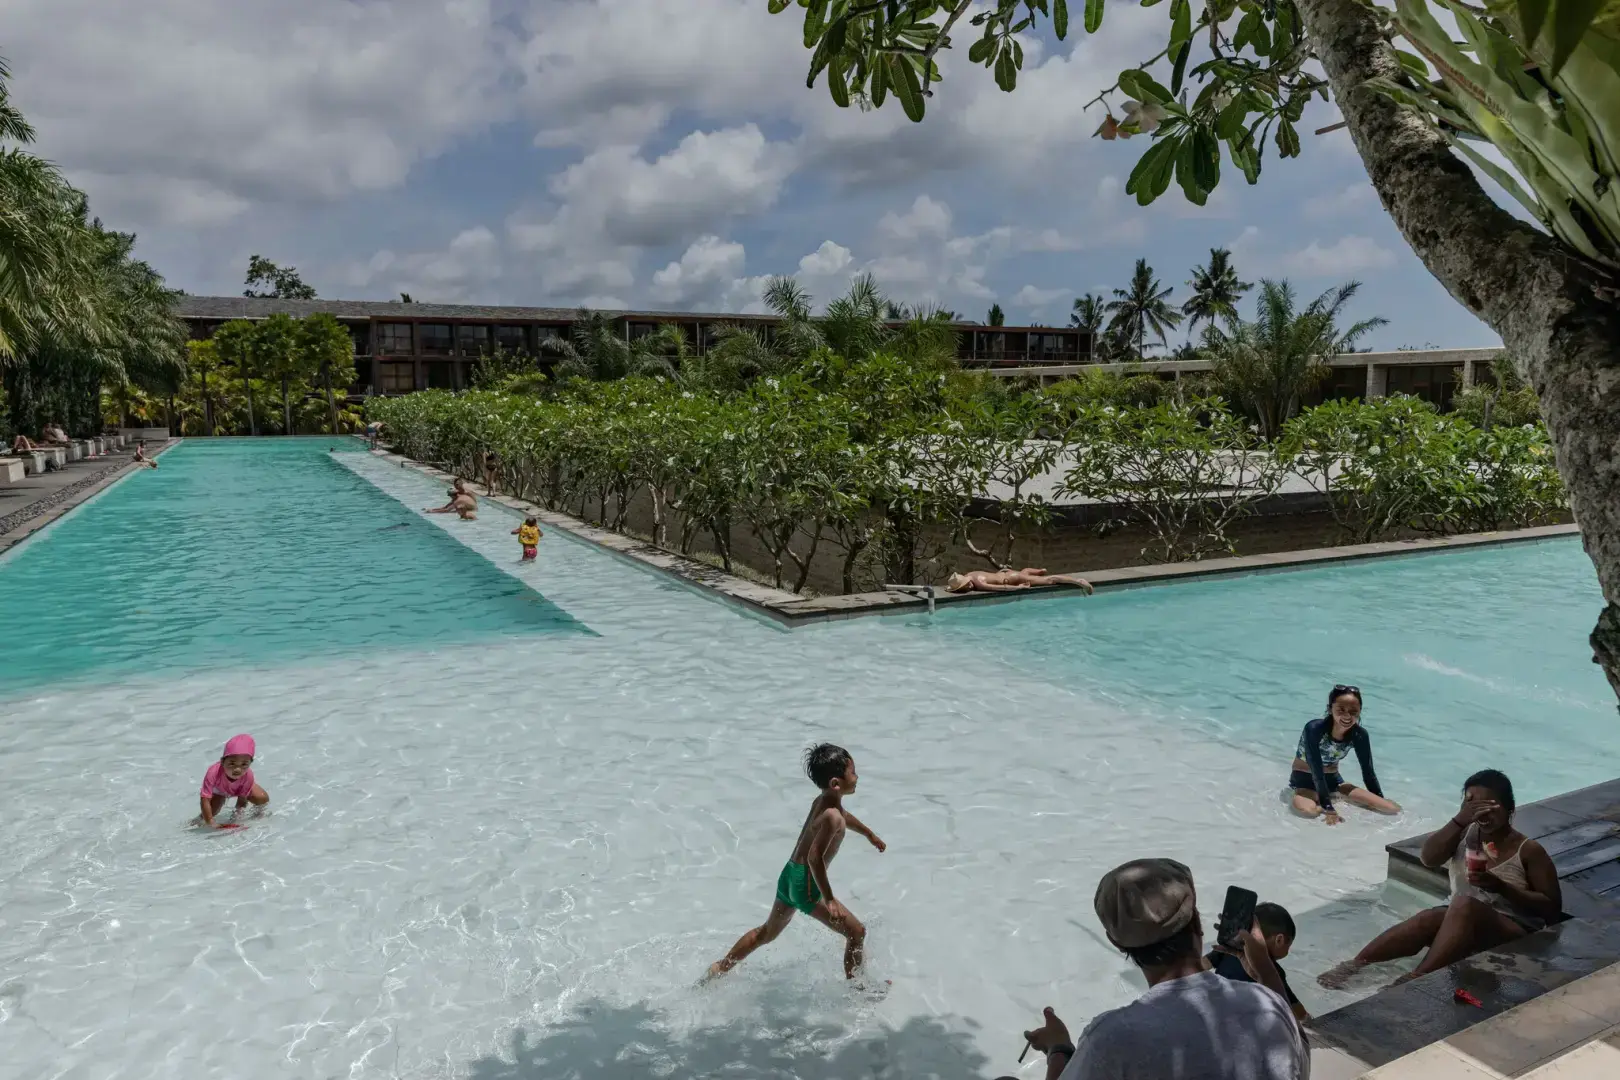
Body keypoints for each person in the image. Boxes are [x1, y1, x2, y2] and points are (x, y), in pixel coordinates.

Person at [1017, 858, 1308, 1080]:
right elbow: (1300, 1065)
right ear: (1197, 921)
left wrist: (1059, 1049)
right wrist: (1266, 973)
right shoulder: (1267, 1003)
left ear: (1115, 941)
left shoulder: (1112, 1038)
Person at [1318, 769, 1560, 989]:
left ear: (1509, 808)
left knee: (1464, 904)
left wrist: (1502, 888)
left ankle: (1415, 979)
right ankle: (1357, 965)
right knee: (1430, 917)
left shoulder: (1528, 850)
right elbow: (1428, 859)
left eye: (1490, 806)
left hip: (1513, 930)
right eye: (1472, 805)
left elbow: (1551, 908)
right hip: (1463, 918)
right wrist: (1459, 821)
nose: (1482, 812)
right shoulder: (1464, 834)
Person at [707, 743, 886, 981]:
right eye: (853, 772)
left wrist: (868, 834)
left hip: (789, 876)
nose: (857, 776)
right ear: (836, 783)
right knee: (857, 932)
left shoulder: (823, 802)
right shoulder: (832, 817)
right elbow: (814, 857)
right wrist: (829, 899)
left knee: (766, 933)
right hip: (806, 885)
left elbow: (845, 817)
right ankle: (859, 992)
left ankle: (720, 968)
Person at [1290, 684, 1400, 824]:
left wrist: (1379, 800)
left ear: (1360, 711)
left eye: (1353, 711)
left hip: (1334, 781)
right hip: (1304, 780)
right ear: (1330, 709)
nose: (1347, 716)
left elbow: (1368, 773)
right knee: (1309, 812)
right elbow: (1316, 769)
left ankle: (1330, 798)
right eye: (1341, 710)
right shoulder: (1314, 729)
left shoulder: (1359, 735)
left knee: (1391, 809)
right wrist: (1328, 808)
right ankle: (1310, 797)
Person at [1207, 901, 1310, 1024]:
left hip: (1215, 1016)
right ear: (1280, 940)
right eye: (1289, 945)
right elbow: (1299, 1013)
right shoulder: (1272, 971)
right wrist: (1308, 1018)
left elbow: (1199, 966)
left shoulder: (1226, 951)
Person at [197, 734, 269, 829]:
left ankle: (258, 813)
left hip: (238, 788)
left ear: (250, 763)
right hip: (220, 791)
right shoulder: (213, 772)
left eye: (244, 764)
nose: (237, 769)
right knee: (213, 810)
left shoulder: (248, 775)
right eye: (232, 763)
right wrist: (210, 821)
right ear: (222, 761)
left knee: (262, 798)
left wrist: (235, 820)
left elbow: (242, 801)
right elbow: (205, 799)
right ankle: (197, 821)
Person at [944, 567, 1094, 594]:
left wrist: (1019, 588)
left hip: (1012, 579)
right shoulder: (971, 573)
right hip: (1005, 573)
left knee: (1050, 581)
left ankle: (1078, 581)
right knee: (1026, 574)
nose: (969, 588)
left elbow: (1000, 589)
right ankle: (1034, 571)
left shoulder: (979, 583)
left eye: (966, 586)